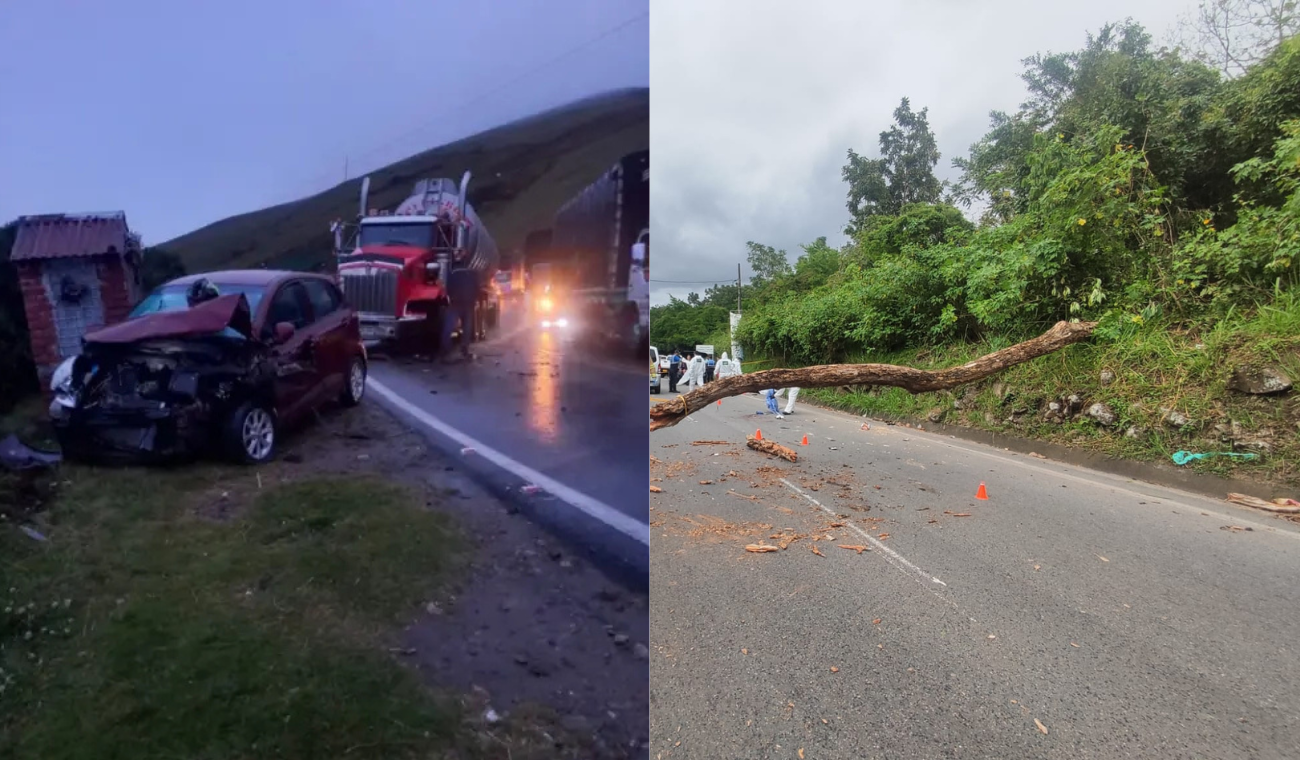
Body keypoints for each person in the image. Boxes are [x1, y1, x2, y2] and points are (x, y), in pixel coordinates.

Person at [442, 253, 479, 362]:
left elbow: (447, 287)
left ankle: (445, 352)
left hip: (455, 302)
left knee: (448, 327)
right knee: (467, 328)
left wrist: (450, 297)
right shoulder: (472, 272)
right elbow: (477, 287)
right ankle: (465, 351)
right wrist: (474, 299)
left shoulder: (452, 272)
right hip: (468, 303)